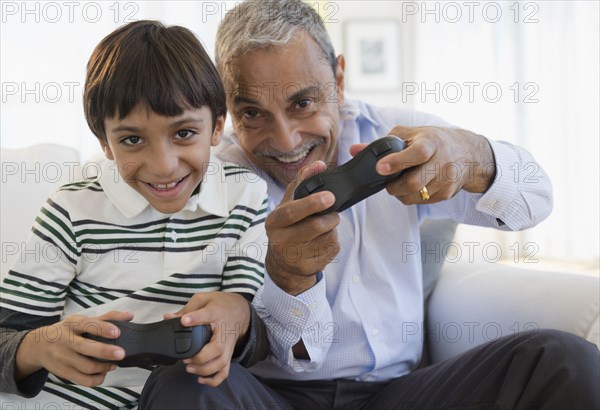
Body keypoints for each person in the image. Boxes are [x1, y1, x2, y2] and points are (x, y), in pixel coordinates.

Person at [139, 1, 600, 409]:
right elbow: (295, 357)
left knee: (563, 360)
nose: (286, 140)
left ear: (338, 79)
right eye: (252, 113)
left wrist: (472, 156)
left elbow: (536, 200)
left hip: (402, 392)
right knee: (182, 386)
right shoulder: (212, 180)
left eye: (303, 103)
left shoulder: (400, 135)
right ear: (226, 107)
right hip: (271, 394)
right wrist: (292, 277)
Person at [0, 20, 269, 409]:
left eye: (183, 133)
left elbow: (252, 337)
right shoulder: (72, 211)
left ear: (217, 126)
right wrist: (37, 348)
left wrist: (239, 317)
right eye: (131, 140)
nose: (162, 166)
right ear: (104, 144)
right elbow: (6, 337)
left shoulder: (244, 196)